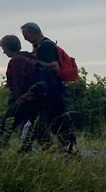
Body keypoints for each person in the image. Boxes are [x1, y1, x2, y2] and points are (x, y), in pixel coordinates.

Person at [21, 22, 76, 153]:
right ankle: (64, 147)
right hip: (52, 88)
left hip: (51, 90)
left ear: (34, 32)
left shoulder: (45, 46)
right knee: (53, 119)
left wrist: (37, 62)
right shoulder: (44, 44)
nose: (25, 38)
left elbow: (54, 66)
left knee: (55, 119)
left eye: (26, 35)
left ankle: (66, 147)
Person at [0, 35, 43, 152]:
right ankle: (50, 149)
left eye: (4, 49)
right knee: (35, 128)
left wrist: (19, 99)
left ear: (8, 48)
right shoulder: (30, 57)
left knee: (5, 126)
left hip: (24, 100)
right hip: (37, 98)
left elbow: (18, 83)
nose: (3, 52)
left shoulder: (16, 61)